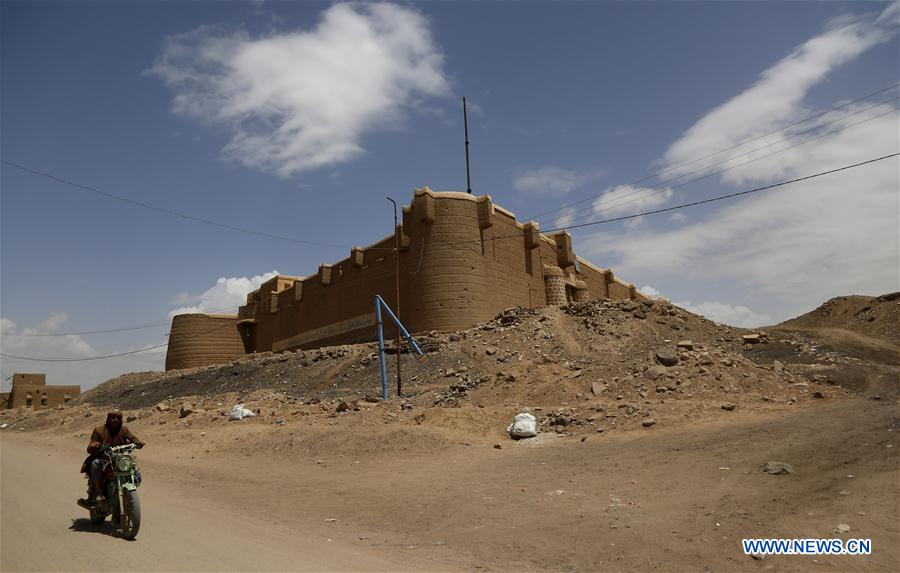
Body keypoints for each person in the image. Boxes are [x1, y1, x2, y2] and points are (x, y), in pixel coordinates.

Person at [79, 411, 144, 505]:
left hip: (119, 459)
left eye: (118, 418)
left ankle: (128, 492)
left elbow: (133, 438)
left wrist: (138, 442)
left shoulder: (124, 430)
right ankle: (100, 492)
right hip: (104, 459)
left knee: (136, 472)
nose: (115, 420)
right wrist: (94, 445)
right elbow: (90, 446)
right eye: (112, 418)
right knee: (95, 464)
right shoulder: (99, 430)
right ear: (108, 419)